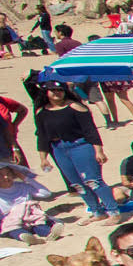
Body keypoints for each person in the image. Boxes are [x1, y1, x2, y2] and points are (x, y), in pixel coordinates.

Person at [33, 84, 118, 222]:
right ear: (46, 92)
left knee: (93, 181)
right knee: (77, 184)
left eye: (60, 90)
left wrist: (99, 151)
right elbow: (42, 136)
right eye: (53, 90)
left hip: (80, 146)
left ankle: (113, 212)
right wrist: (43, 158)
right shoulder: (41, 112)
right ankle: (97, 212)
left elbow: (90, 130)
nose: (57, 93)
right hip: (58, 149)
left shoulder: (75, 107)